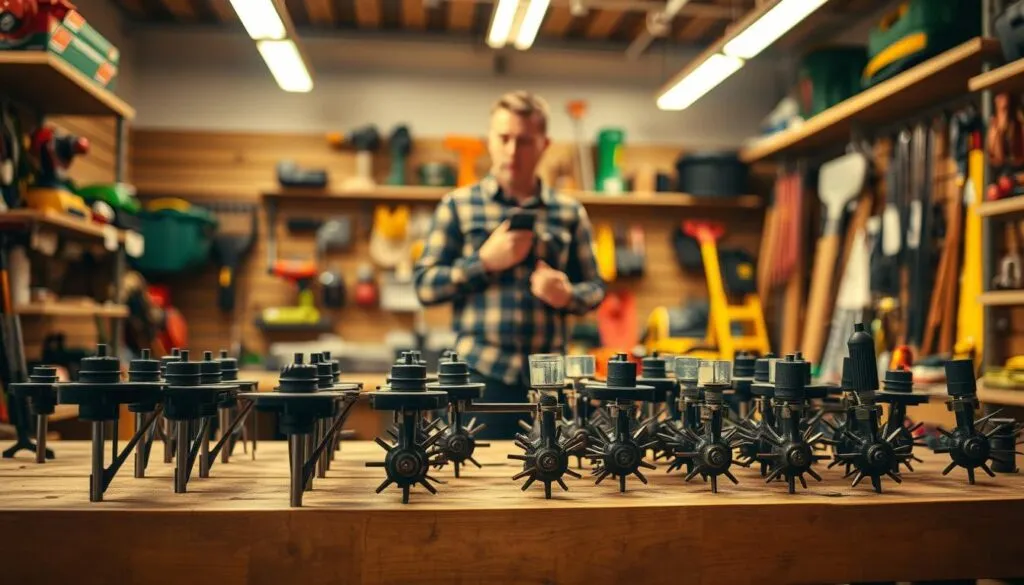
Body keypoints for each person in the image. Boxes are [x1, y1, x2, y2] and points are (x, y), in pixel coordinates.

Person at [413, 90, 607, 439]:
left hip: (550, 380)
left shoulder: (569, 212)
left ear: (544, 144)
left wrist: (566, 296)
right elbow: (425, 286)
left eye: (525, 141)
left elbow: (595, 289)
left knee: (550, 476)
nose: (513, 151)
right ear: (489, 140)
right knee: (473, 485)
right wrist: (484, 262)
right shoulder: (457, 206)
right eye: (504, 138)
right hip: (478, 376)